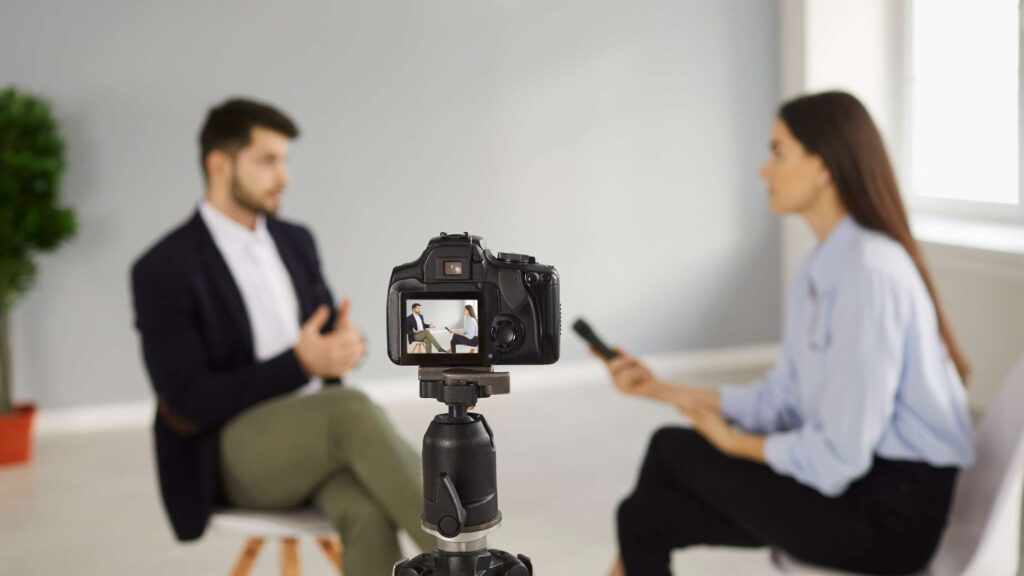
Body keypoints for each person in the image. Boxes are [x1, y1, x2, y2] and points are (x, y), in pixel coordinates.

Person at [598, 91, 975, 576]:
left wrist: (735, 444)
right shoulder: (821, 267)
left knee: (671, 453)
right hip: (857, 483)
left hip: (888, 517)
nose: (764, 171)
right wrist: (660, 389)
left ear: (823, 167)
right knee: (643, 515)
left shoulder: (869, 273)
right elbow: (786, 399)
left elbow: (840, 454)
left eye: (777, 152)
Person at [131, 98, 434, 575]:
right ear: (219, 164)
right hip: (231, 452)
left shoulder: (296, 240)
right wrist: (301, 363)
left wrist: (346, 347)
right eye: (267, 160)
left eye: (285, 160)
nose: (284, 177)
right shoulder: (164, 268)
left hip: (317, 437)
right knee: (350, 410)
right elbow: (187, 401)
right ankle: (476, 565)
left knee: (366, 512)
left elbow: (323, 339)